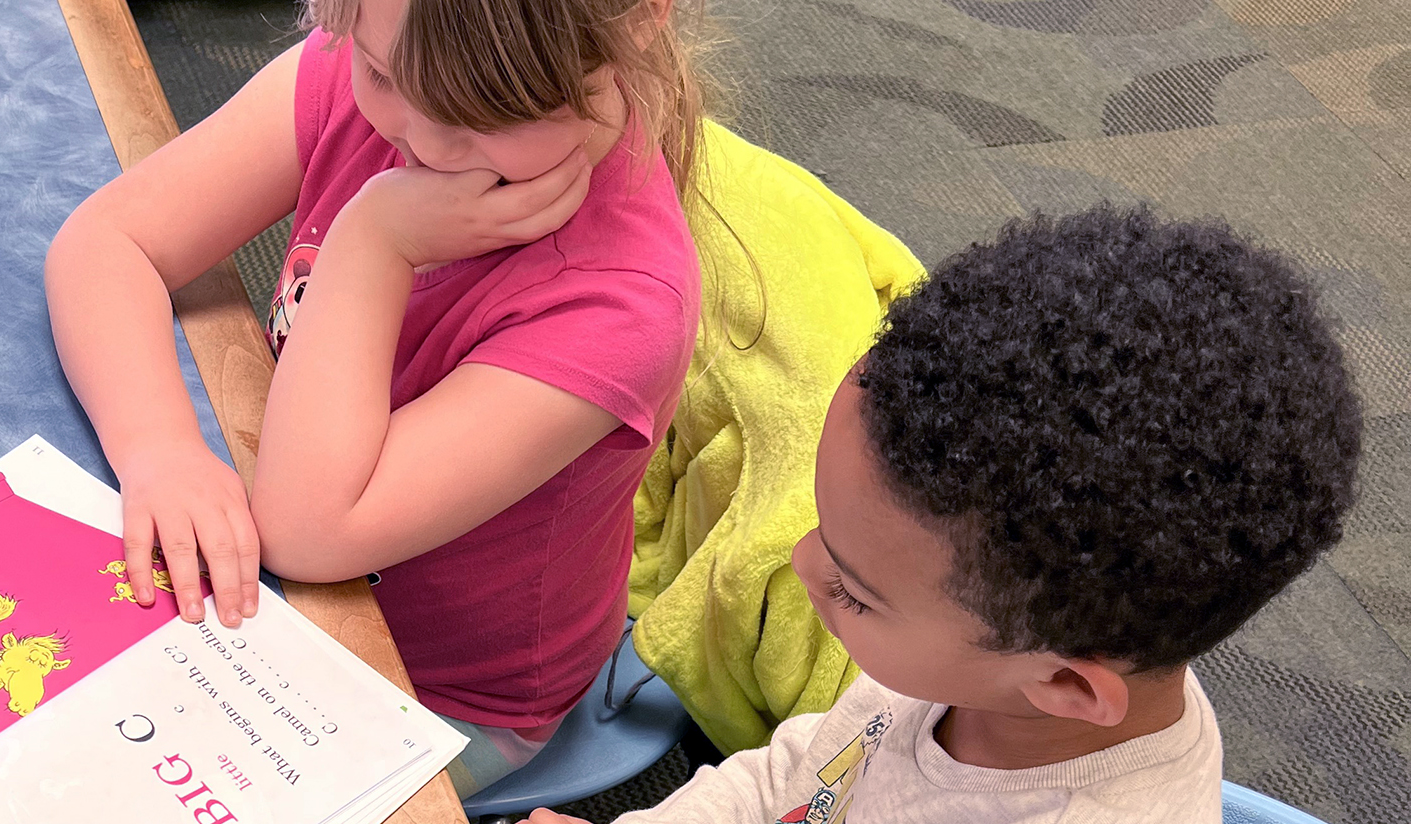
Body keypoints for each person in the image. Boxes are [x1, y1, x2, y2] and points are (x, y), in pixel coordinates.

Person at [45, 0, 710, 795]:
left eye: (492, 111)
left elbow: (311, 529)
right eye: (388, 75)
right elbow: (107, 242)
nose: (426, 144)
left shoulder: (622, 304)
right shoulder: (369, 49)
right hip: (280, 582)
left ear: (641, 20)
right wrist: (160, 449)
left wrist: (375, 238)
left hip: (436, 695)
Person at [535, 206, 1364, 823]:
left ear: (1068, 685)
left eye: (853, 593)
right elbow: (800, 771)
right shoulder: (978, 664)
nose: (800, 564)